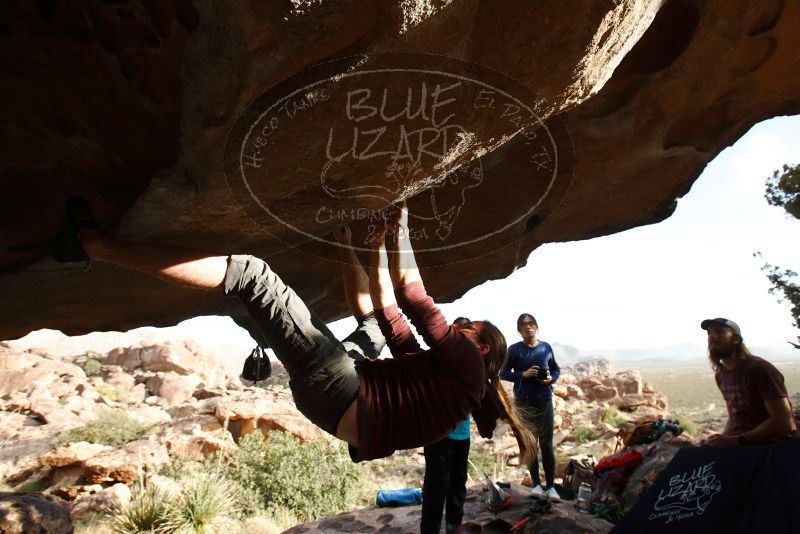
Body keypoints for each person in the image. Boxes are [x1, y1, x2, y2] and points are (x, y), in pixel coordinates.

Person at [53, 197, 535, 461]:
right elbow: (378, 311)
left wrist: (401, 222)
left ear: (483, 350)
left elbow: (410, 295)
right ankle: (334, 256)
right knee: (369, 330)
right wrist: (364, 242)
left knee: (250, 273)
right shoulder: (444, 382)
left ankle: (90, 244)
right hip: (335, 408)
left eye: (471, 327)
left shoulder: (469, 366)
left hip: (344, 390)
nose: (461, 324)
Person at [699, 318, 796, 447]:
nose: (712, 337)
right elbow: (735, 418)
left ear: (736, 339)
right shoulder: (721, 375)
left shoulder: (759, 369)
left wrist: (737, 441)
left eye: (719, 332)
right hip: (744, 446)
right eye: (709, 333)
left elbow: (784, 422)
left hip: (772, 448)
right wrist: (719, 441)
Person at [500, 313, 560, 499]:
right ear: (519, 330)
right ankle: (536, 485)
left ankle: (550, 487)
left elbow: (556, 369)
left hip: (544, 400)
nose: (528, 327)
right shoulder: (514, 350)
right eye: (523, 325)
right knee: (530, 444)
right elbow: (502, 373)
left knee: (547, 445)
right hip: (524, 402)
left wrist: (551, 379)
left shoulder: (546, 348)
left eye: (531, 323)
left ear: (536, 327)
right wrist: (522, 375)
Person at [421, 414, 470, 534]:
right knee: (436, 485)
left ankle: (454, 525)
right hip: (437, 432)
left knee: (459, 481)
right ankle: (430, 530)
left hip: (463, 432)